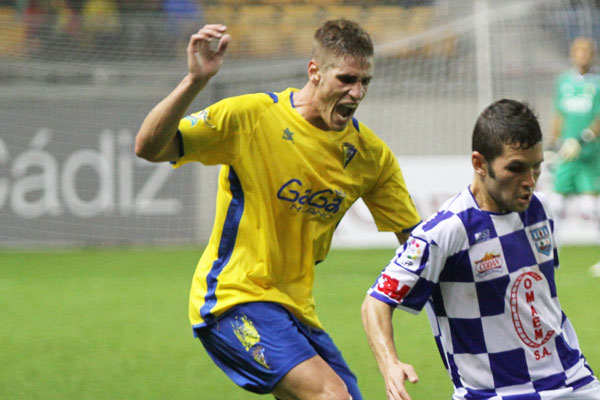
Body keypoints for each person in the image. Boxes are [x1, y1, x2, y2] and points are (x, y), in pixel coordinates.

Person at [135, 20, 421, 400]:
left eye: (365, 81)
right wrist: (195, 82)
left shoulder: (370, 157)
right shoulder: (251, 117)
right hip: (232, 298)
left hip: (296, 310)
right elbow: (149, 147)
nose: (357, 92)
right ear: (314, 72)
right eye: (347, 79)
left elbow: (416, 243)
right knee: (332, 396)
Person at [362, 99, 600, 400]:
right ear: (479, 163)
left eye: (536, 167)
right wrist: (389, 364)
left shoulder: (540, 209)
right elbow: (376, 302)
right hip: (494, 394)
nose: (530, 182)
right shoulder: (446, 231)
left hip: (573, 383)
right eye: (516, 168)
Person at [547, 37, 600, 276]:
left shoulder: (597, 83)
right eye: (578, 51)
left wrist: (585, 137)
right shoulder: (563, 82)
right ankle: (549, 254)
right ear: (572, 54)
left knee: (591, 207)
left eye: (586, 51)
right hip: (566, 152)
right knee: (556, 203)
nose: (582, 55)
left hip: (589, 154)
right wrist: (552, 143)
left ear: (593, 55)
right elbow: (559, 114)